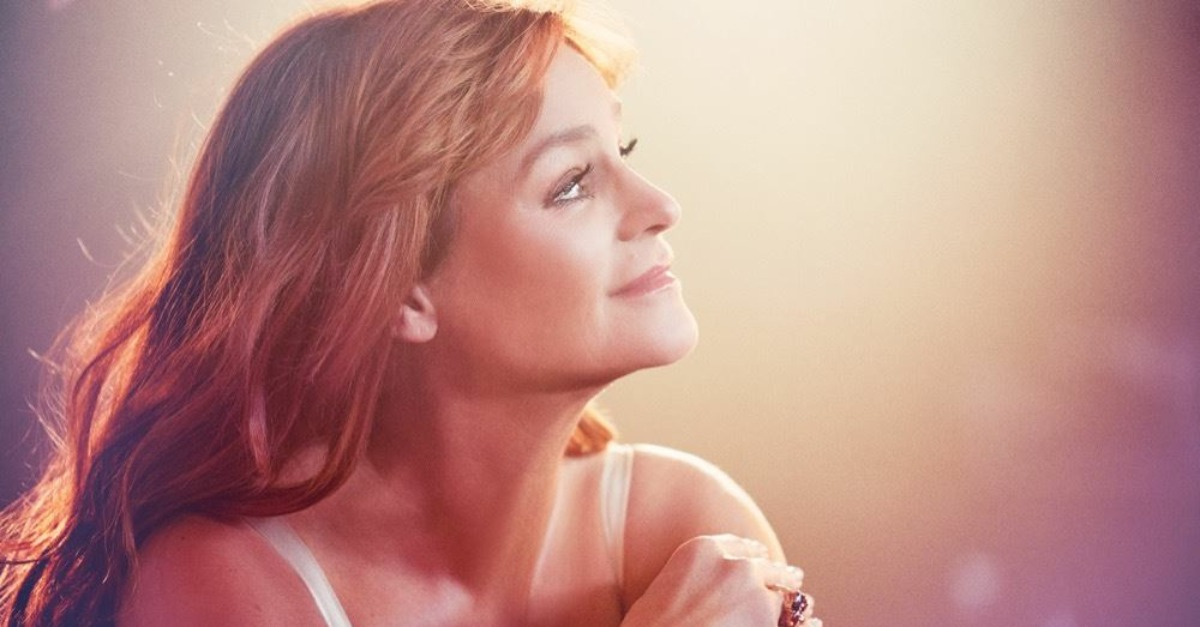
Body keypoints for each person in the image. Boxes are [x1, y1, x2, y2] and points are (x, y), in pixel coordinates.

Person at [0, 0, 819, 625]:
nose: (662, 206)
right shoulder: (219, 585)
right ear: (399, 287)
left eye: (624, 152)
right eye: (572, 183)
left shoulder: (680, 526)